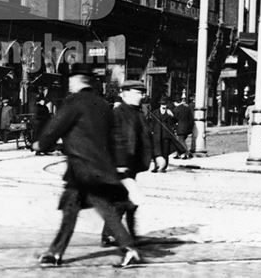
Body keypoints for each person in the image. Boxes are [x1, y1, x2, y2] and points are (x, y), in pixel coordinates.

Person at [35, 65, 138, 269]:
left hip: (83, 169)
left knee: (100, 206)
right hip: (94, 168)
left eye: (71, 80)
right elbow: (116, 137)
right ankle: (55, 253)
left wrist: (41, 143)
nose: (69, 83)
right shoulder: (103, 105)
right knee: (70, 208)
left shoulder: (74, 102)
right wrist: (120, 164)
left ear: (77, 80)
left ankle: (128, 248)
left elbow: (56, 126)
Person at [104, 79, 151, 250]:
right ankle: (120, 234)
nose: (141, 96)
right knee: (128, 201)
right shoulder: (118, 113)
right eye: (138, 92)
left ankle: (113, 233)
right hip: (120, 165)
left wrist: (159, 155)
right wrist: (120, 163)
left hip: (132, 164)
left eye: (142, 93)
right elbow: (114, 139)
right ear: (125, 93)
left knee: (124, 201)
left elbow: (146, 137)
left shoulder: (137, 113)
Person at [149, 97, 176, 173]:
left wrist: (172, 116)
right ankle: (156, 166)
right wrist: (151, 131)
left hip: (166, 135)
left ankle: (163, 167)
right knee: (156, 152)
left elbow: (175, 121)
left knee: (165, 152)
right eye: (162, 104)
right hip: (157, 135)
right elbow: (151, 123)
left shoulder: (169, 112)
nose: (164, 105)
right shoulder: (155, 112)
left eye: (165, 104)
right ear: (160, 104)